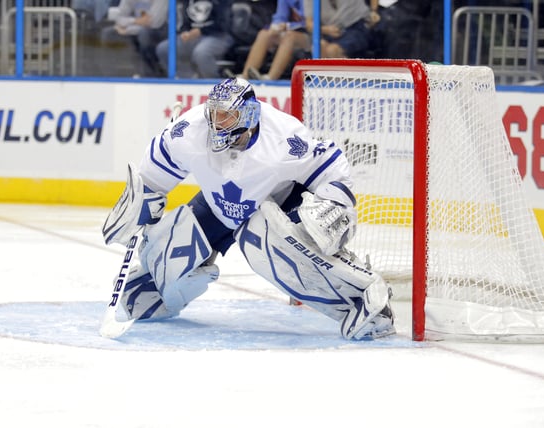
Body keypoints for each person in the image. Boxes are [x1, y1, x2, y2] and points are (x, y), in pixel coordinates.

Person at [101, 77, 395, 341]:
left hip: (273, 205)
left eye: (227, 116)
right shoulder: (187, 132)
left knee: (268, 246)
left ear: (250, 114)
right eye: (214, 114)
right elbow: (151, 179)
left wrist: (333, 204)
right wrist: (140, 204)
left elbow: (330, 167)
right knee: (161, 259)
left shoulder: (284, 138)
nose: (217, 123)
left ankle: (366, 299)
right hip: (218, 203)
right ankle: (159, 291)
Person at [156, 0, 234, 79]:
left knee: (201, 53)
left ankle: (212, 82)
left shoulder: (221, 2)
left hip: (218, 36)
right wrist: (184, 32)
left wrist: (201, 31)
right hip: (193, 37)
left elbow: (223, 25)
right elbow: (183, 22)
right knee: (164, 48)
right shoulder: (187, 2)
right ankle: (187, 79)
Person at [239, 0, 310, 81]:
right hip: (291, 31)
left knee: (290, 37)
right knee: (264, 34)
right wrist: (276, 27)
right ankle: (245, 76)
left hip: (312, 35)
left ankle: (270, 78)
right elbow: (280, 17)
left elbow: (309, 23)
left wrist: (288, 26)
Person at [101, 0, 168, 77]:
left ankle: (152, 74)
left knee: (144, 34)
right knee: (108, 33)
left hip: (162, 31)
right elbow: (119, 19)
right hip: (136, 27)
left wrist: (128, 30)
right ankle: (109, 78)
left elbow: (154, 23)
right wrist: (135, 21)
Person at [304, 0, 375, 59]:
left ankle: (346, 71)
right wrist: (326, 30)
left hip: (355, 26)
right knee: (318, 47)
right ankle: (328, 72)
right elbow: (309, 24)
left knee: (332, 50)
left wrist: (374, 10)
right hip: (329, 31)